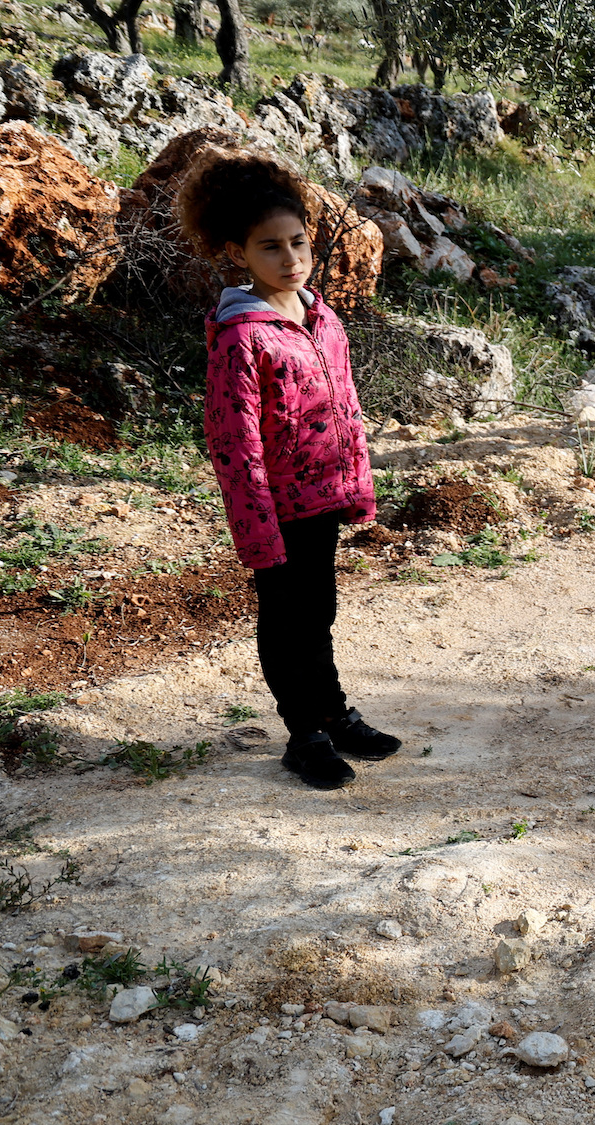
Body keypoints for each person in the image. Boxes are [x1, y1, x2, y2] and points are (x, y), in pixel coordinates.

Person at [174, 151, 401, 789]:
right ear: (237, 251)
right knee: (285, 619)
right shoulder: (241, 335)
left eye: (298, 242)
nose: (290, 259)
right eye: (269, 247)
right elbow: (234, 444)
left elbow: (346, 406)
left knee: (319, 610)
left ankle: (333, 713)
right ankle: (303, 735)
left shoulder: (320, 316)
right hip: (275, 511)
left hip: (324, 498)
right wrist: (256, 532)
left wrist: (356, 485)